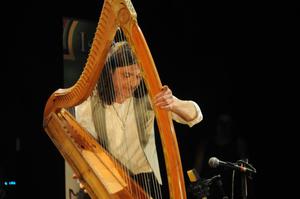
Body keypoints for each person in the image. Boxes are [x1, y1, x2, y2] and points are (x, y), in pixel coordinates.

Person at [73, 41, 203, 199]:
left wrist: (174, 104)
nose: (134, 83)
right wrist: (85, 168)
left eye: (138, 76)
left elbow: (195, 115)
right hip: (107, 177)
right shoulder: (89, 102)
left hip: (143, 182)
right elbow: (86, 146)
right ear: (109, 73)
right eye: (126, 75)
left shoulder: (149, 97)